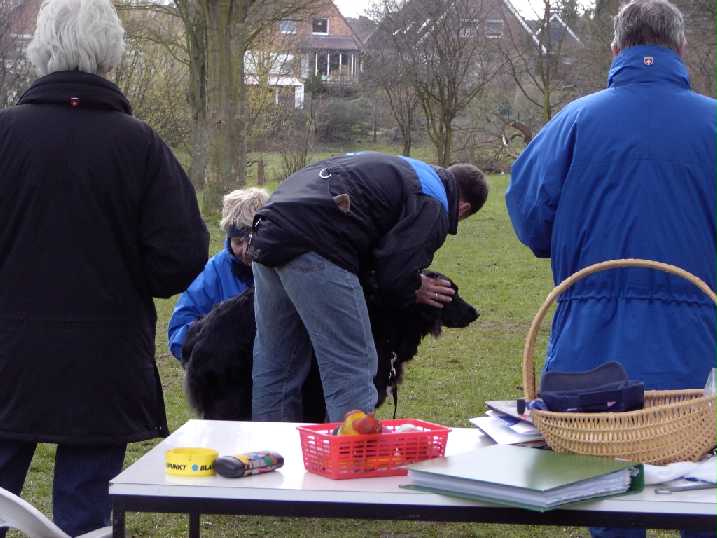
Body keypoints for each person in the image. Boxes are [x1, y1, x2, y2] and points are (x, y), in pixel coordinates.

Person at [506, 1, 715, 537]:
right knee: (707, 491)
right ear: (681, 49)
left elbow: (530, 214)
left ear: (616, 48)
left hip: (592, 343)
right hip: (702, 341)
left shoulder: (574, 121)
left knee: (608, 490)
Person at [0, 0, 209, 535]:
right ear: (110, 55)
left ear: (41, 51)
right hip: (105, 358)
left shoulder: (3, 135)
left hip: (7, 354)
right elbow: (179, 260)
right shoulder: (140, 146)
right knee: (87, 514)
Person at [249, 151, 488, 423]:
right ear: (463, 209)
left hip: (270, 228)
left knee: (277, 364)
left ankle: (270, 447)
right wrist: (415, 285)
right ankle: (354, 449)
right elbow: (394, 275)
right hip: (318, 242)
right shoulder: (433, 201)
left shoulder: (401, 167)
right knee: (354, 364)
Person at [168, 187, 269, 364]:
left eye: (252, 241)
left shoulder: (282, 266)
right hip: (231, 371)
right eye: (238, 242)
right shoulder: (214, 272)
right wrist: (211, 336)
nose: (245, 250)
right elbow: (179, 331)